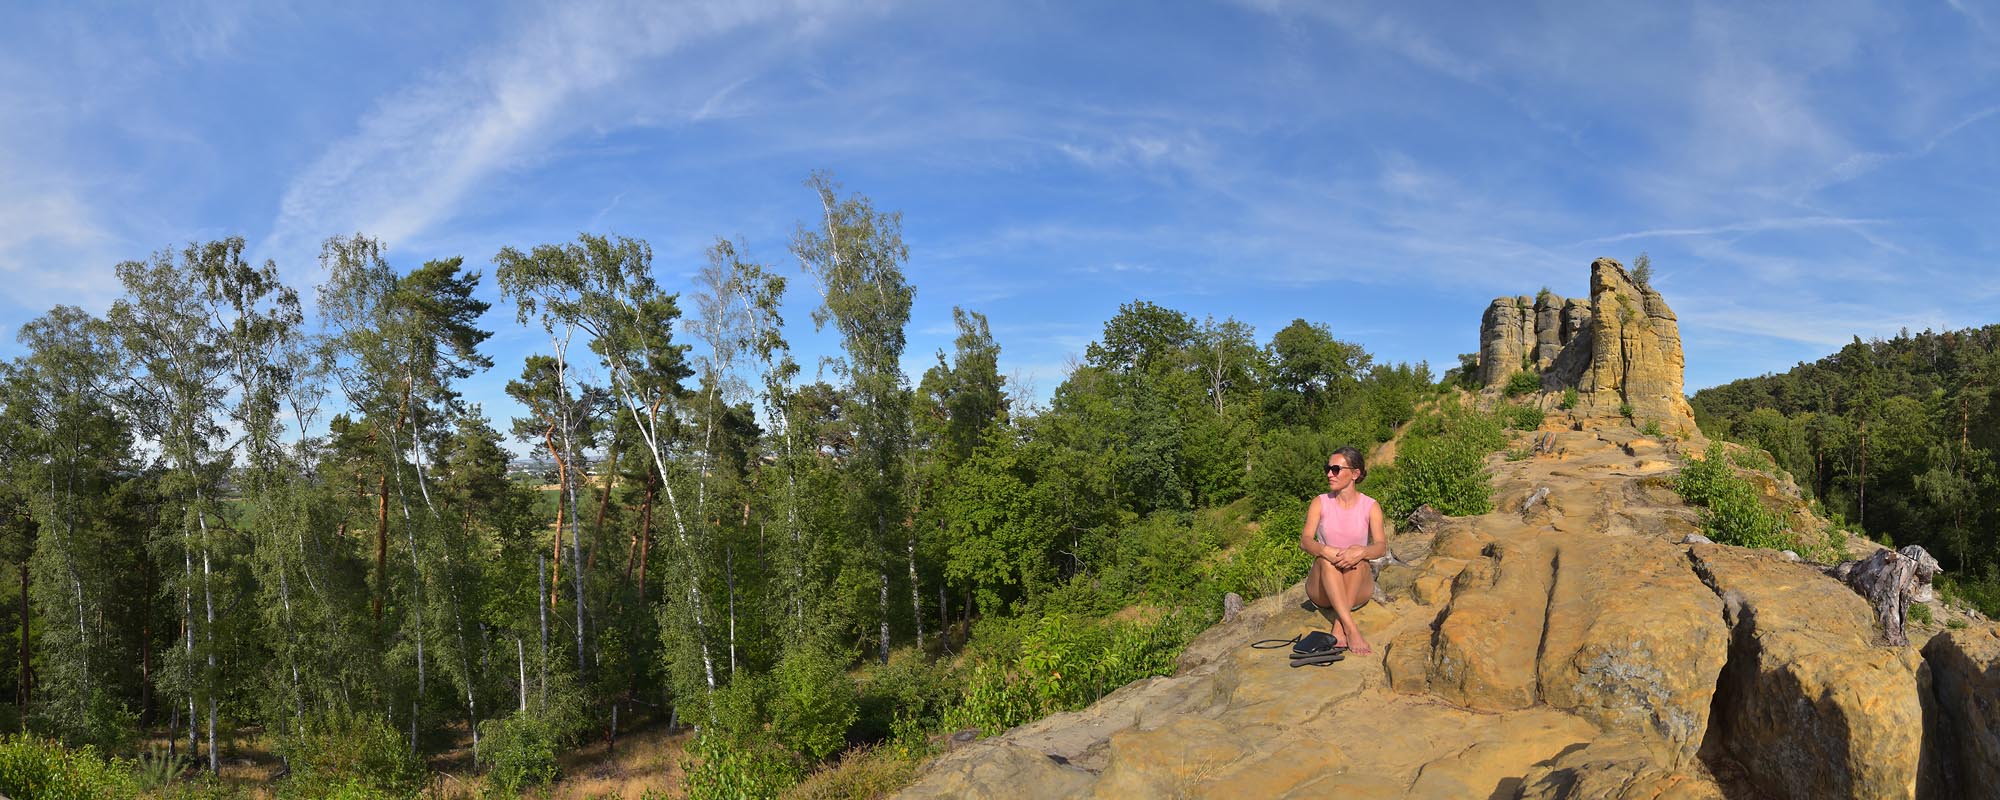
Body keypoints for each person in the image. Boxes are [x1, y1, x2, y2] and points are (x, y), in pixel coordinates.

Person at [1297, 446, 1387, 655]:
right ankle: (1351, 629)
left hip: (1356, 588)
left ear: (1355, 474)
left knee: (1360, 560)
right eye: (1328, 468)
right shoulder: (1320, 502)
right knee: (1325, 560)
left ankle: (1339, 626)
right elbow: (1305, 541)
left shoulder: (1370, 506)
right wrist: (1324, 549)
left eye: (1336, 469)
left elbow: (1381, 547)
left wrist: (1362, 552)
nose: (1329, 473)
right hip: (1322, 590)